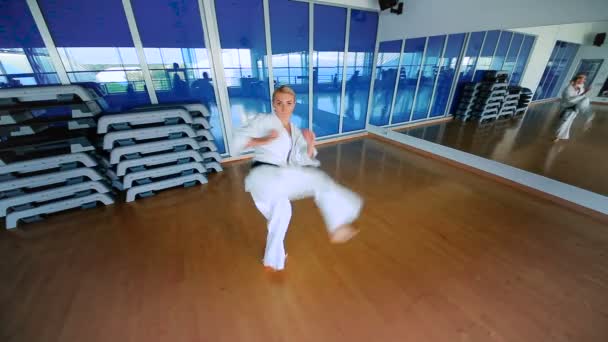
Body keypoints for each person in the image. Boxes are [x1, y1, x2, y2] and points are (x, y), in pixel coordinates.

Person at [232, 85, 363, 271]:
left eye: (288, 103)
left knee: (284, 211)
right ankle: (336, 224)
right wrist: (263, 140)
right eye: (279, 103)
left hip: (280, 176)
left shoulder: (295, 131)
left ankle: (273, 259)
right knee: (288, 207)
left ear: (294, 105)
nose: (284, 107)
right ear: (273, 105)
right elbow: (236, 142)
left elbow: (303, 159)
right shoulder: (263, 121)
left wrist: (309, 144)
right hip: (263, 175)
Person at [554, 74, 593, 142]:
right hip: (567, 106)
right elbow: (569, 100)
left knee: (569, 121)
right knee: (564, 122)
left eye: (585, 79)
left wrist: (584, 92)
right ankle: (557, 136)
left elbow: (580, 96)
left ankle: (588, 118)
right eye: (583, 79)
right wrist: (583, 95)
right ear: (578, 79)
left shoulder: (581, 86)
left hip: (575, 107)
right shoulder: (568, 89)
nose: (584, 80)